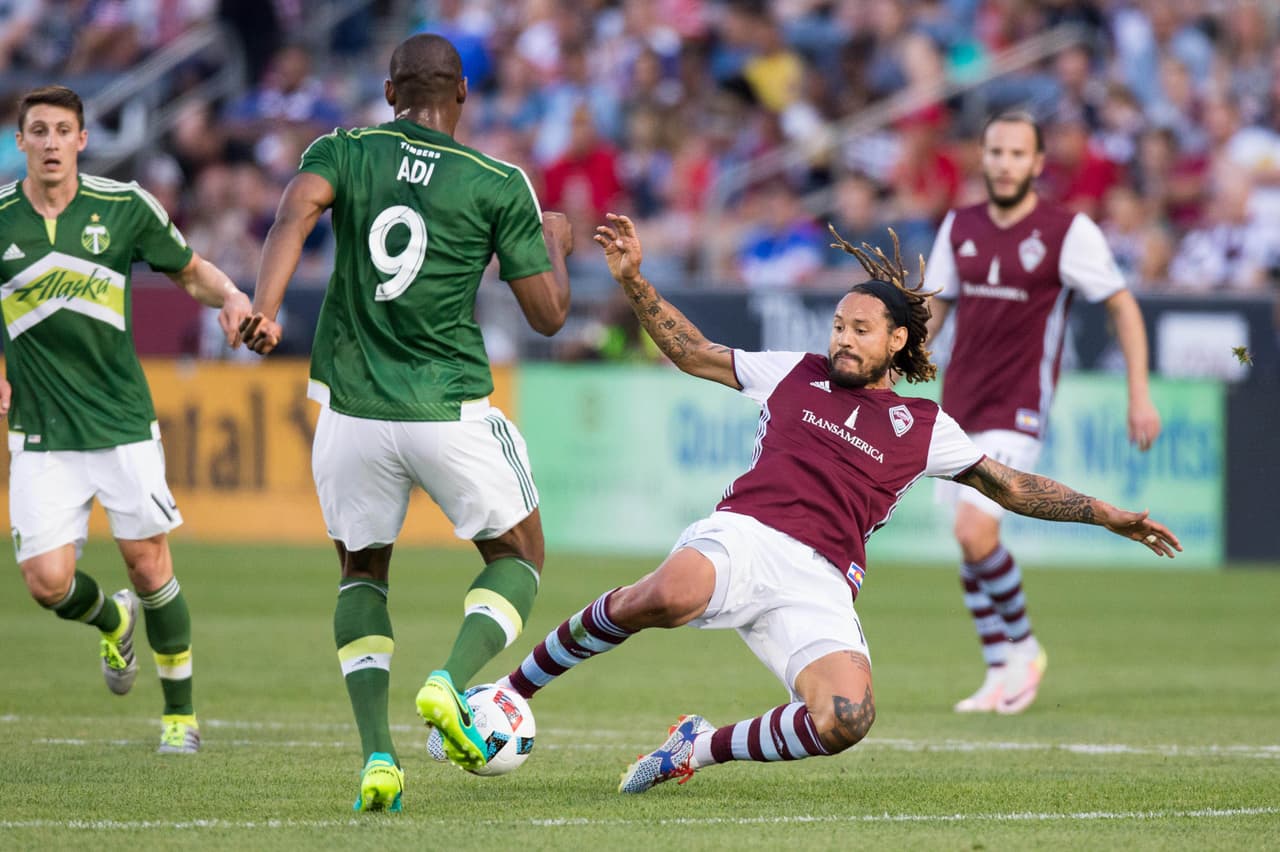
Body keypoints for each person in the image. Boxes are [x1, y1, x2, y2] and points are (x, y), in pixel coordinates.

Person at [491, 213, 1179, 794]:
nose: (843, 338)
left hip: (821, 583)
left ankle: (696, 749)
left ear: (897, 341)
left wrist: (1107, 515)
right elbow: (693, 352)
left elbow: (1012, 486)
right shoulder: (796, 373)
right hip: (746, 535)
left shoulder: (926, 427)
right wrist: (635, 281)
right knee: (669, 594)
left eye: (860, 329)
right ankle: (512, 692)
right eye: (839, 325)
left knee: (846, 718)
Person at [239, 34, 573, 813]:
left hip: (350, 411)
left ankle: (379, 759)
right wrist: (554, 242)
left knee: (362, 573)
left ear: (389, 92)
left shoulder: (343, 149)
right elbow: (550, 316)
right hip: (445, 406)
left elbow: (293, 215)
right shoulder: (498, 181)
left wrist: (264, 307)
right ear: (463, 92)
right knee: (519, 553)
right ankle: (450, 682)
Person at [1, 85, 253, 753]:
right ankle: (113, 621)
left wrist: (229, 297)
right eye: (39, 131)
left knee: (149, 563)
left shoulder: (124, 207)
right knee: (47, 582)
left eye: (63, 130)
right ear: (20, 141)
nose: (51, 142)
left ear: (83, 141)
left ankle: (180, 717)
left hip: (120, 421)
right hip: (41, 430)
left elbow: (190, 271)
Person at [923, 111, 1163, 715]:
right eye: (995, 152)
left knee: (975, 530)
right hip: (958, 403)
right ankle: (999, 668)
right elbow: (935, 311)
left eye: (1016, 153)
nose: (1004, 163)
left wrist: (1139, 391)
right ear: (983, 157)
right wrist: (903, 355)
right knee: (968, 542)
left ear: (1036, 163)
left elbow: (1123, 306)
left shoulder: (1067, 230)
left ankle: (1025, 651)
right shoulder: (960, 224)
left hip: (1018, 406)